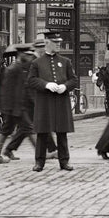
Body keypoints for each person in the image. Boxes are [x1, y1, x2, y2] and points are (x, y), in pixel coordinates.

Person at [26, 31, 79, 172]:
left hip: (61, 101)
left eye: (59, 42)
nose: (58, 44)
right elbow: (31, 80)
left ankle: (64, 161)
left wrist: (65, 86)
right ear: (47, 43)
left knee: (62, 133)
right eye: (56, 42)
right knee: (42, 133)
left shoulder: (65, 61)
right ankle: (39, 162)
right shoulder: (37, 63)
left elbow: (74, 80)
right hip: (45, 102)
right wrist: (45, 84)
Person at [0, 44, 36, 163]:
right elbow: (6, 90)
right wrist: (8, 108)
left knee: (6, 130)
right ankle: (41, 153)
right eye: (27, 55)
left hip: (16, 107)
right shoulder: (13, 69)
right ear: (21, 54)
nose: (30, 57)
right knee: (29, 128)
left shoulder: (21, 68)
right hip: (15, 107)